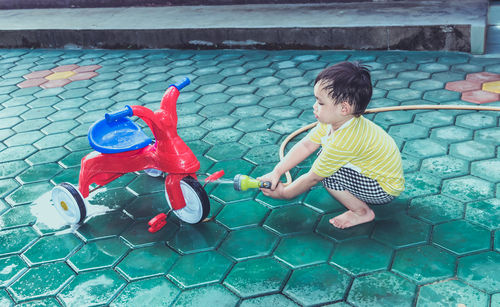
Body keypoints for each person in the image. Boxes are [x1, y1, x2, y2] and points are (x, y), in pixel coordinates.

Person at [258, 61, 405, 229]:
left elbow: (313, 178)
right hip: (376, 176)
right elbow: (307, 145)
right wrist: (277, 172)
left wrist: (284, 194)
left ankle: (361, 212)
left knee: (328, 174)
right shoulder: (334, 121)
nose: (314, 106)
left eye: (320, 103)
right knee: (325, 159)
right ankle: (357, 198)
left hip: (384, 188)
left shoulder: (345, 140)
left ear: (344, 108)